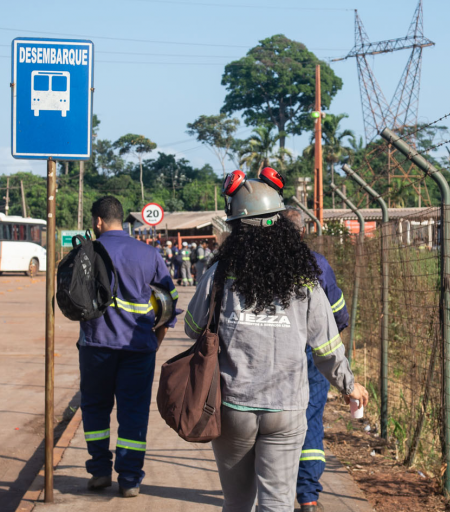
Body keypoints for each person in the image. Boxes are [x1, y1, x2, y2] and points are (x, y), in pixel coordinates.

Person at [184, 170, 369, 511]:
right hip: (286, 409)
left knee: (237, 502)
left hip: (233, 407)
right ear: (280, 223)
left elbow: (193, 327)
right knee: (278, 502)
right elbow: (327, 348)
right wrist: (349, 385)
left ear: (235, 227)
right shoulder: (305, 279)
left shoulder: (219, 273)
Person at [78, 197, 179, 498]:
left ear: (98, 221)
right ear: (121, 219)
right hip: (138, 348)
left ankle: (98, 470)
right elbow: (169, 303)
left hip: (96, 346)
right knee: (133, 412)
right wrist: (155, 341)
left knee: (95, 407)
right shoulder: (149, 254)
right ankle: (130, 479)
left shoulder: (89, 252)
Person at [280, 208, 350, 512]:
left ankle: (276, 494)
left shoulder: (263, 264)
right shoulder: (318, 265)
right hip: (313, 353)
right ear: (304, 232)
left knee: (273, 421)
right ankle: (307, 497)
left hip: (276, 352)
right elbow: (340, 317)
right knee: (309, 420)